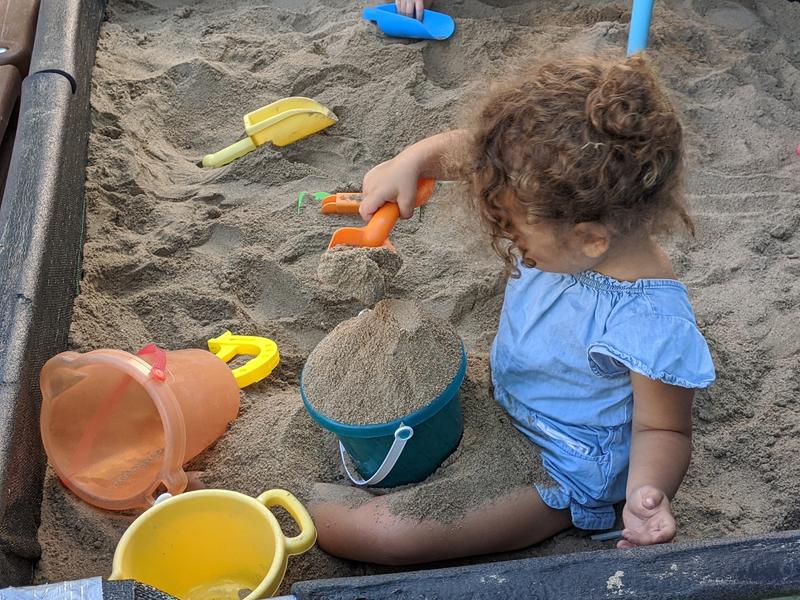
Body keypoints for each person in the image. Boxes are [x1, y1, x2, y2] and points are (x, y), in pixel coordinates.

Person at [309, 53, 716, 565]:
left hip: (565, 464)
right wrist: (411, 161)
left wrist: (646, 494)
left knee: (388, 536)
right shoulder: (567, 220)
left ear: (588, 238)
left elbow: (663, 429)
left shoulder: (649, 324)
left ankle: (294, 499)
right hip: (503, 404)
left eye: (516, 231)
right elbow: (479, 155)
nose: (506, 237)